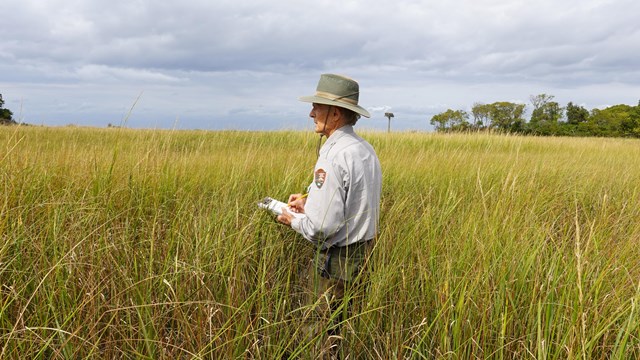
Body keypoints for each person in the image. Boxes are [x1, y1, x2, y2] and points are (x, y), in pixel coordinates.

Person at [277, 73, 382, 357]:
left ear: (335, 113)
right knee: (341, 326)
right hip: (363, 254)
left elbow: (322, 228)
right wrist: (308, 199)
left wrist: (293, 218)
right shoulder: (364, 150)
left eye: (317, 107)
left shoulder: (333, 155)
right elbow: (352, 198)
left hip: (337, 259)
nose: (311, 113)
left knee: (314, 327)